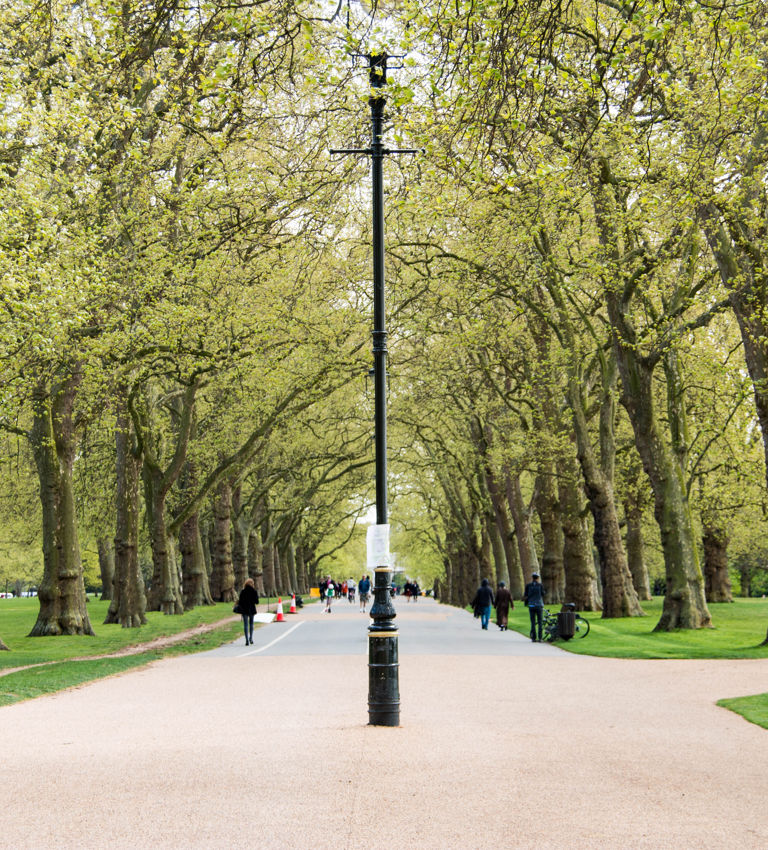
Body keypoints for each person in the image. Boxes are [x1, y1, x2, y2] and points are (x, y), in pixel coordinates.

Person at [237, 578, 259, 645]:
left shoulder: (243, 591)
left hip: (244, 610)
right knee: (251, 624)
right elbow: (257, 602)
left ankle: (246, 640)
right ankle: (251, 638)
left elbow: (240, 601)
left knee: (245, 624)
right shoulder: (254, 591)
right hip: (251, 609)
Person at [524, 571, 546, 641]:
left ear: (532, 578)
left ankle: (533, 637)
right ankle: (540, 637)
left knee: (533, 622)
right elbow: (543, 594)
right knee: (540, 622)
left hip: (531, 605)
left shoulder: (528, 586)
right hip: (539, 605)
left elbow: (526, 595)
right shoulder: (540, 585)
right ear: (537, 578)